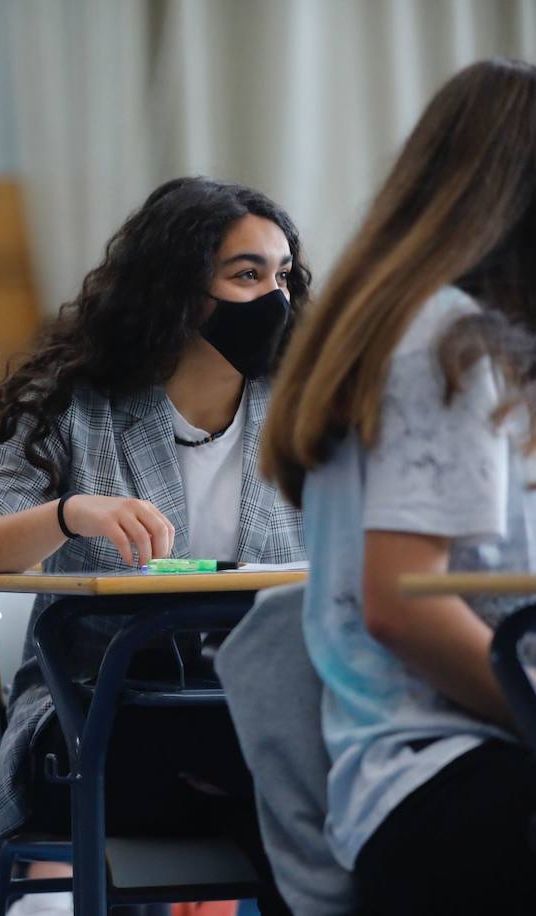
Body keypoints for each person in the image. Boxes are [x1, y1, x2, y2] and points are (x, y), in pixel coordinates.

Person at [0, 177, 310, 915]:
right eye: (248, 275)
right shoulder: (73, 406)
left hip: (252, 716)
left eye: (282, 275)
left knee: (326, 765)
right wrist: (68, 514)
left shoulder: (304, 413)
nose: (275, 298)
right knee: (300, 775)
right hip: (92, 730)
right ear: (178, 289)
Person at [261, 58, 536, 914]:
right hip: (448, 778)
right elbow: (403, 604)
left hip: (431, 778)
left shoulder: (421, 327)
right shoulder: (449, 342)